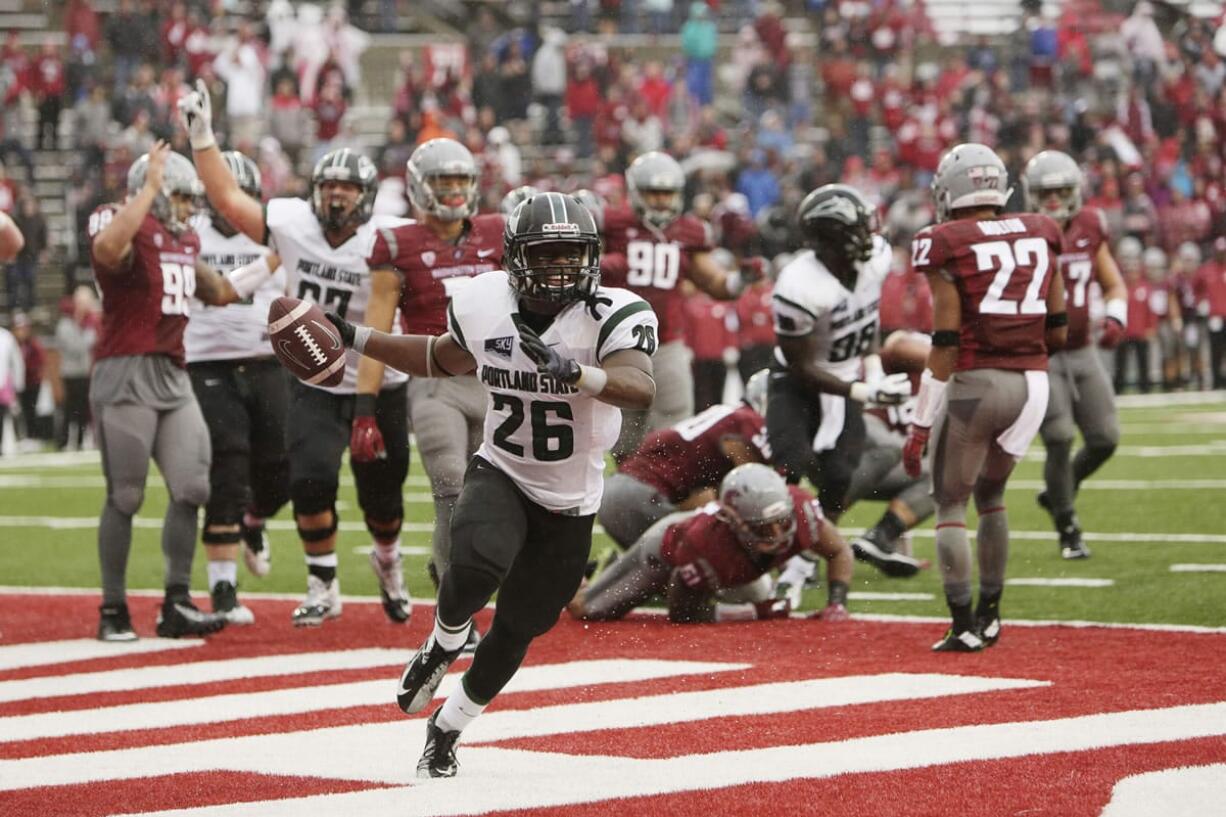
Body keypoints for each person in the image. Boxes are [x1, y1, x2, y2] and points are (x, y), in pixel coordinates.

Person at [320, 192, 657, 778]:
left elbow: (639, 385)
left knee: (522, 626)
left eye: (572, 254)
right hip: (502, 467)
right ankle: (445, 638)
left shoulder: (613, 313)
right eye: (547, 255)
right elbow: (439, 357)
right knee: (473, 565)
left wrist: (576, 371)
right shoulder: (482, 301)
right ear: (515, 258)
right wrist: (355, 338)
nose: (561, 268)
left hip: (572, 497)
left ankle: (447, 729)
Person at [179, 80, 414, 627]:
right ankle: (322, 584)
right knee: (308, 479)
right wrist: (203, 136)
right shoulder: (291, 225)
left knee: (383, 501)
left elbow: (389, 318)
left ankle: (389, 563)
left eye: (347, 190)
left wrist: (366, 405)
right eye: (328, 187)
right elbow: (229, 200)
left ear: (368, 197)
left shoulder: (388, 239)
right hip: (313, 376)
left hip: (380, 383)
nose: (335, 197)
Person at [904, 143, 1066, 652]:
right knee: (992, 497)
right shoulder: (1042, 229)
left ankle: (964, 623)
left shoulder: (944, 240)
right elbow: (1058, 328)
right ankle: (992, 615)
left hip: (978, 382)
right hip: (1035, 386)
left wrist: (920, 424)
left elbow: (945, 342)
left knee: (949, 502)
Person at [88, 142, 237, 641]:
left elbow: (217, 291)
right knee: (126, 495)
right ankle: (113, 609)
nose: (187, 209)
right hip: (125, 372)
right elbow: (108, 250)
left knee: (193, 487)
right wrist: (150, 187)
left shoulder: (182, 241)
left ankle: (176, 602)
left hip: (174, 375)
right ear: (148, 195)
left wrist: (275, 260)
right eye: (177, 197)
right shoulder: (119, 221)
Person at [364, 138, 504, 649]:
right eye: (443, 181)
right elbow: (378, 324)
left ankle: (469, 580)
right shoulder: (397, 242)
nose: (452, 191)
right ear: (421, 187)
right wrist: (365, 405)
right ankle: (454, 615)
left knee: (491, 497)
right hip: (433, 379)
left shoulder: (497, 232)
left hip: (494, 380)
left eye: (460, 181)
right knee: (450, 486)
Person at [766, 183, 911, 591]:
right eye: (859, 229)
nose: (871, 236)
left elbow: (866, 322)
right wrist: (865, 392)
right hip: (797, 384)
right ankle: (760, 554)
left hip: (845, 378)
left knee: (839, 476)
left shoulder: (874, 259)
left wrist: (875, 371)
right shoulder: (798, 285)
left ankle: (806, 557)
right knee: (787, 467)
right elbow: (801, 366)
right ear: (832, 240)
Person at [184, 151, 290, 624]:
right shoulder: (189, 237)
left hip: (268, 363)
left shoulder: (275, 239)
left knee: (284, 464)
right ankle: (223, 589)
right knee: (227, 465)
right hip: (209, 365)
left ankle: (254, 521)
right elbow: (225, 289)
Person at [601, 151, 758, 460]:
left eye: (667, 193)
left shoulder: (689, 232)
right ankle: (627, 493)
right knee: (624, 433)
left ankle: (660, 491)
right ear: (635, 192)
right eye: (653, 193)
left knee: (673, 428)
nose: (661, 201)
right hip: (619, 343)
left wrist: (740, 279)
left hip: (668, 342)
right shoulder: (613, 223)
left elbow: (715, 283)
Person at [571, 463, 853, 623]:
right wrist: (753, 613)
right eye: (764, 527)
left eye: (782, 520)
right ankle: (581, 575)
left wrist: (836, 604)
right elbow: (683, 615)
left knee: (759, 599)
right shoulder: (705, 545)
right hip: (664, 550)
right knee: (588, 612)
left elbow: (839, 551)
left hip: (730, 563)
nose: (779, 533)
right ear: (733, 521)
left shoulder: (802, 512)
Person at [1021, 150, 1127, 560]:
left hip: (1083, 349)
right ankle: (1067, 525)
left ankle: (1057, 491)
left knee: (1105, 438)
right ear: (1031, 195)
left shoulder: (1090, 225)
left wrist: (1116, 316)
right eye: (1045, 193)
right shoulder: (1021, 233)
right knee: (1060, 438)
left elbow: (1114, 284)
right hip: (1044, 352)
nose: (1054, 200)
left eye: (1061, 191)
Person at [598, 368, 770, 550]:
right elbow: (749, 484)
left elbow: (699, 498)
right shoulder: (750, 422)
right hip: (640, 497)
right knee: (708, 556)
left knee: (644, 569)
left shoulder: (729, 414)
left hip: (615, 493)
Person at [54, 286, 97, 451]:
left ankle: (79, 440)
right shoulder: (66, 324)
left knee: (82, 409)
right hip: (71, 373)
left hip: (84, 371)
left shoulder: (85, 323)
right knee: (69, 408)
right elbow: (75, 347)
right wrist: (89, 334)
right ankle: (63, 441)